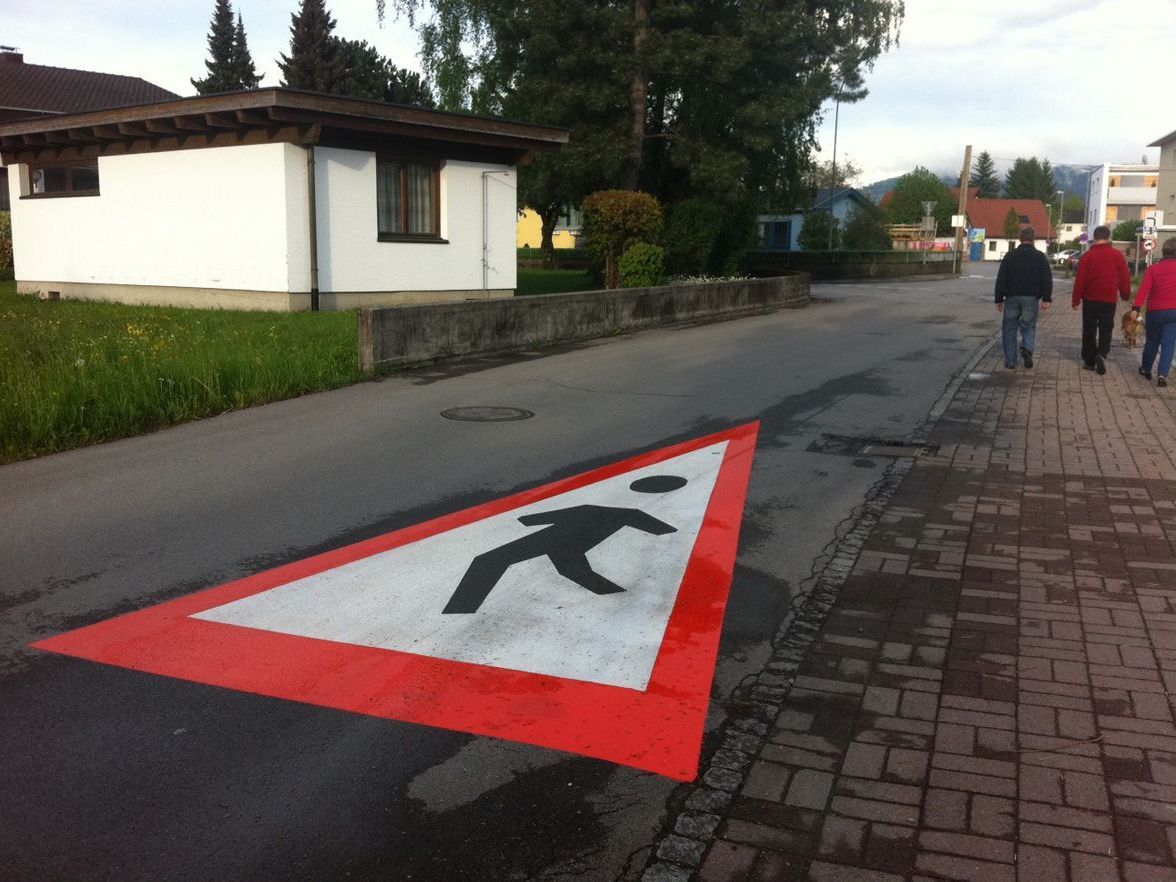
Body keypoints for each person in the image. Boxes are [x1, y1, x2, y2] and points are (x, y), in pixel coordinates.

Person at [1072, 224, 1131, 374]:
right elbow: (1124, 277)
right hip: (1108, 299)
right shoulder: (1117, 255)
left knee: (1089, 329)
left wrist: (1076, 300)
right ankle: (1102, 353)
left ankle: (1089, 360)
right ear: (1108, 237)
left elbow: (1080, 280)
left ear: (1094, 238)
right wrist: (1125, 294)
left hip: (1090, 299)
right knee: (1106, 328)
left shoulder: (1087, 256)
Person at [995, 227, 1053, 369]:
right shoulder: (1040, 257)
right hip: (1031, 298)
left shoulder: (1010, 256)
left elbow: (1001, 278)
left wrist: (998, 299)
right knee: (1029, 326)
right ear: (1033, 239)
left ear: (1020, 238)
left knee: (1009, 329)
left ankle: (1011, 362)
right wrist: (1046, 298)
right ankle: (1027, 348)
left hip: (1012, 297)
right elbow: (1046, 279)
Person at [1129, 237, 1176, 388]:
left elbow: (1144, 291)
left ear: (1163, 251)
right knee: (1169, 344)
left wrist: (1136, 308)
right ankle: (1162, 375)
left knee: (1152, 341)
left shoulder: (1153, 269)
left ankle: (1146, 369)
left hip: (1155, 311)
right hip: (1174, 313)